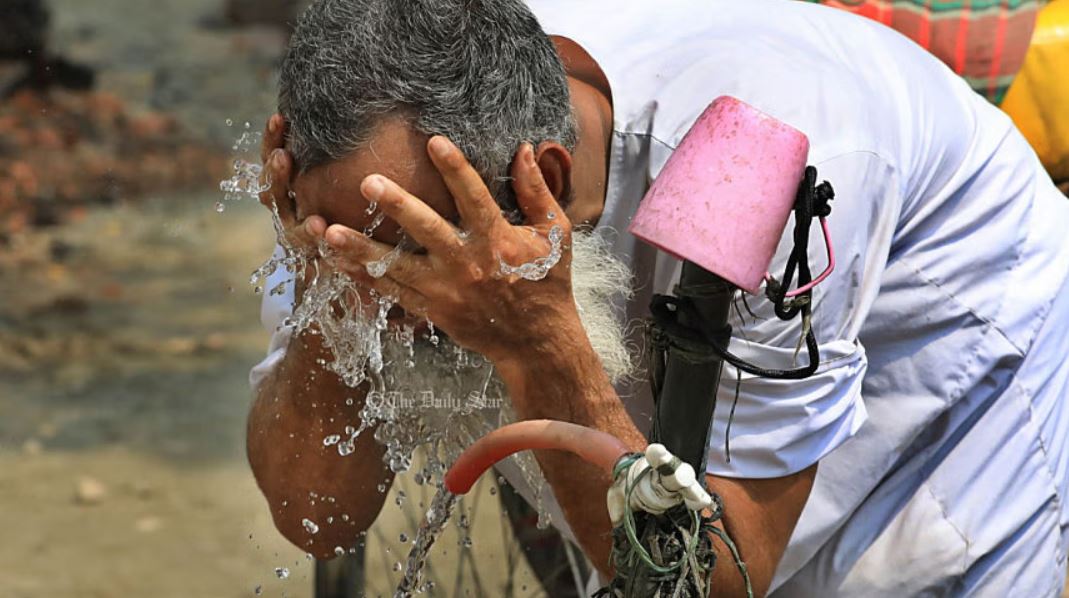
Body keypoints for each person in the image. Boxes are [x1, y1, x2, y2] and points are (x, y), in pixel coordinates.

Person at [246, 0, 1069, 595]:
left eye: (408, 253)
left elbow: (718, 578)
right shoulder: (359, 201)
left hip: (945, 361)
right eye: (337, 247)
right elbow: (314, 517)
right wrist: (333, 289)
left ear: (549, 183)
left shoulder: (756, 161)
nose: (384, 290)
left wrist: (537, 344)